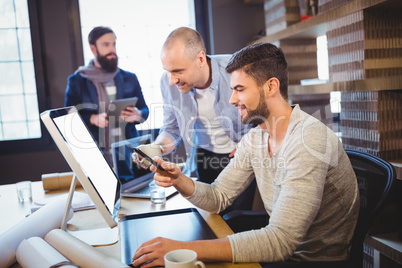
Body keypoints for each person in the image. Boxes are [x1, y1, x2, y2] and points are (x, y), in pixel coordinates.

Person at [132, 42, 360, 267]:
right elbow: (218, 197)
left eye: (240, 89)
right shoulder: (256, 137)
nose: (232, 100)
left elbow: (281, 241)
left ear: (271, 87)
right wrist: (178, 180)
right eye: (232, 89)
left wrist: (183, 248)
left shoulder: (308, 140)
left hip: (314, 261)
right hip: (286, 253)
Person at [152, 27, 253, 183]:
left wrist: (249, 144)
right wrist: (155, 148)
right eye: (167, 71)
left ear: (200, 59)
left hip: (242, 155)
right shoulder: (166, 82)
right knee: (206, 207)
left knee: (237, 208)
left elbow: (267, 115)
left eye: (178, 71)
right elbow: (171, 128)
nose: (171, 80)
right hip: (203, 157)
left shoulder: (237, 70)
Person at [65, 26, 149, 164]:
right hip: (96, 154)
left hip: (129, 153)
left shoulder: (130, 78)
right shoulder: (78, 81)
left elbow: (145, 110)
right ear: (93, 49)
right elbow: (68, 118)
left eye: (114, 44)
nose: (112, 50)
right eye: (106, 45)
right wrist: (92, 118)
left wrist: (138, 114)